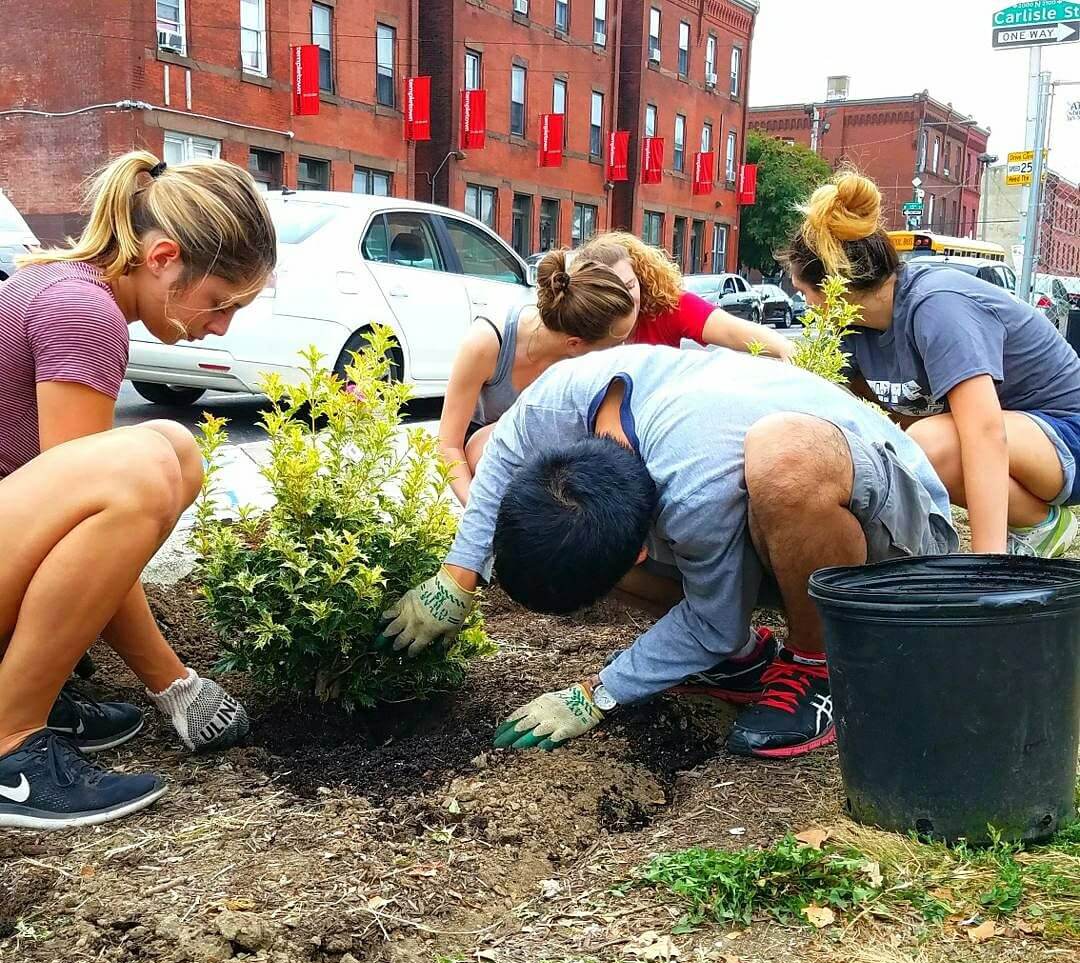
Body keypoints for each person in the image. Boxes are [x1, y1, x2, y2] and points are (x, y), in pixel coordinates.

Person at [379, 345, 957, 758]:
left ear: (639, 555)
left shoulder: (696, 486)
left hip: (890, 530)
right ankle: (742, 661)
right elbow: (502, 453)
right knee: (485, 448)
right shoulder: (561, 401)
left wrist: (595, 695)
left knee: (783, 463)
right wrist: (456, 577)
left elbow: (712, 618)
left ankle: (815, 666)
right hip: (747, 511)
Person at [0, 150, 276, 827]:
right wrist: (173, 684)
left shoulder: (59, 284)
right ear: (162, 257)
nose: (220, 326)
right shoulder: (80, 311)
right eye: (220, 302)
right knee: (144, 470)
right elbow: (86, 526)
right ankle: (10, 744)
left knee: (173, 450)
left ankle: (33, 688)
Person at [785, 169, 1080, 558]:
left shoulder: (936, 306)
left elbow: (985, 432)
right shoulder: (852, 333)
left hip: (1064, 433)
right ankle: (1037, 520)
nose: (807, 308)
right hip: (1014, 440)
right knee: (912, 445)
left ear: (835, 287)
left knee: (928, 445)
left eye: (806, 294)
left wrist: (984, 566)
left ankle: (1035, 529)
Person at [439, 249, 636, 505]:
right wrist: (478, 514)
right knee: (486, 444)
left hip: (550, 466)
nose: (618, 353)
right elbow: (448, 445)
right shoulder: (486, 344)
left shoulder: (585, 363)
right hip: (489, 463)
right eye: (613, 344)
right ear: (575, 344)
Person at [577, 231, 794, 359]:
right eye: (614, 291)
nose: (627, 298)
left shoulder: (666, 306)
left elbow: (734, 332)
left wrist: (788, 351)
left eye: (630, 285)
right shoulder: (575, 321)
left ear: (640, 277)